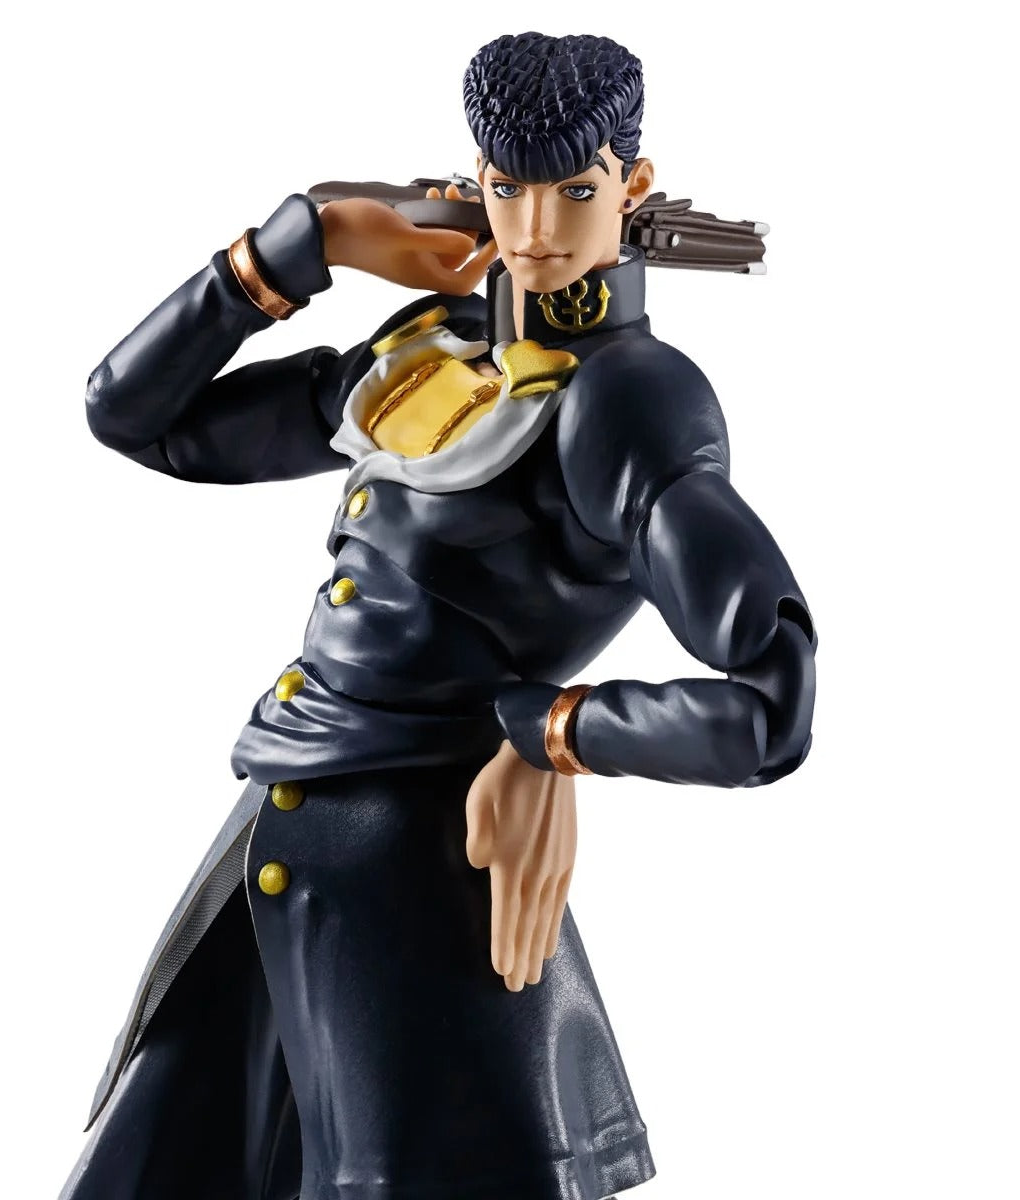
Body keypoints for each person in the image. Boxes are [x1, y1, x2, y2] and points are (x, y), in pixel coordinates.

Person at [61, 30, 816, 1200]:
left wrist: (550, 734)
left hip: (429, 870)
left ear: (633, 185)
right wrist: (301, 240)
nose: (535, 231)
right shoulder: (431, 346)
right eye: (508, 188)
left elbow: (771, 703)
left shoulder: (628, 401)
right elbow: (136, 416)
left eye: (575, 192)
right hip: (284, 834)